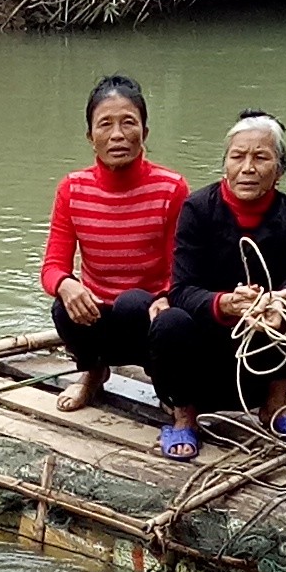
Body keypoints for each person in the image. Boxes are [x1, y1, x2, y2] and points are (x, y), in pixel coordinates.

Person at [148, 113, 286, 456]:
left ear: (280, 170)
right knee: (169, 320)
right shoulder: (197, 209)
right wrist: (225, 303)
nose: (248, 167)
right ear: (224, 165)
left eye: (261, 157)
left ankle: (274, 407)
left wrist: (279, 300)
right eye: (238, 156)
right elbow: (182, 289)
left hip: (260, 358)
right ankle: (184, 417)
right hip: (204, 360)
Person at [36, 73, 186, 415]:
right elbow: (52, 266)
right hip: (98, 313)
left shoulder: (171, 188)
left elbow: (181, 268)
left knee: (136, 304)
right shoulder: (72, 189)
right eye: (105, 124)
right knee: (63, 305)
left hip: (149, 312)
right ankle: (93, 373)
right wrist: (66, 284)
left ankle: (162, 382)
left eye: (128, 123)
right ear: (91, 136)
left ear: (144, 133)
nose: (117, 135)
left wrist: (164, 298)